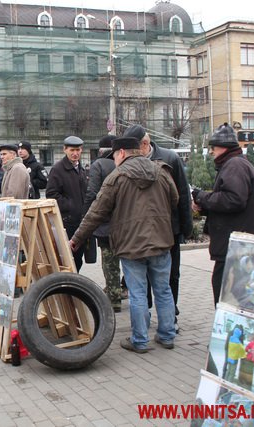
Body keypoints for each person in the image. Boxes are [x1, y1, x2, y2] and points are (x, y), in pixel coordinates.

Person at [70, 137, 178, 353]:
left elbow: (96, 212)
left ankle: (140, 341)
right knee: (164, 290)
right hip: (161, 241)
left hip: (132, 244)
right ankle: (167, 335)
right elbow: (174, 199)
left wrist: (77, 238)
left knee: (137, 293)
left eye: (115, 156)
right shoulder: (161, 171)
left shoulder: (116, 177)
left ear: (121, 153)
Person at [123, 124, 193, 331]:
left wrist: (185, 227)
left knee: (171, 276)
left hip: (168, 230)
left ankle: (172, 318)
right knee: (142, 278)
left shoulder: (169, 159)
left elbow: (182, 196)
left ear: (144, 144)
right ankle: (146, 317)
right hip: (140, 233)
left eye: (133, 148)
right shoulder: (129, 161)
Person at [192, 123, 254, 306]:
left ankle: (230, 332)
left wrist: (202, 197)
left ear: (223, 147)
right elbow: (230, 199)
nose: (211, 152)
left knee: (228, 298)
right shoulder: (236, 163)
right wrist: (205, 204)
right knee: (231, 296)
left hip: (237, 248)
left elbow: (234, 199)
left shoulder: (234, 165)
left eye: (213, 147)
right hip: (238, 246)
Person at [81, 134, 122, 312]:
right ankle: (123, 289)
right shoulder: (123, 164)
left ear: (100, 150)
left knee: (109, 261)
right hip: (126, 222)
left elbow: (93, 194)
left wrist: (87, 215)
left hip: (106, 223)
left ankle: (114, 297)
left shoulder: (98, 165)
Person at [45, 136, 89, 272]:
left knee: (78, 259)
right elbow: (51, 194)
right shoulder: (58, 169)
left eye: (78, 150)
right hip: (67, 222)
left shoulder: (81, 170)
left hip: (81, 222)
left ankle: (74, 286)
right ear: (65, 150)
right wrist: (71, 206)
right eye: (72, 150)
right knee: (68, 260)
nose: (75, 153)